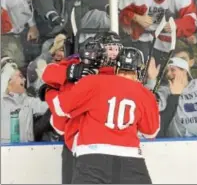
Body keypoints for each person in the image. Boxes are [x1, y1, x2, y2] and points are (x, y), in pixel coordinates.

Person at [44, 47, 160, 184]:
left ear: (116, 69)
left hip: (92, 158)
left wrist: (49, 91)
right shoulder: (144, 93)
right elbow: (151, 132)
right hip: (131, 160)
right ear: (138, 72)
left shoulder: (94, 82)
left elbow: (60, 108)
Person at [39, 31, 122, 184]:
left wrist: (50, 93)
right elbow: (48, 73)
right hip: (75, 136)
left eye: (116, 49)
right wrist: (70, 72)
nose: (114, 53)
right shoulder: (80, 61)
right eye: (110, 48)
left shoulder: (120, 70)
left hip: (105, 141)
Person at [146, 56, 197, 138]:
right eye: (167, 71)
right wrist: (151, 80)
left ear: (184, 71)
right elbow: (150, 106)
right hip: (178, 143)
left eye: (173, 70)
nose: (168, 74)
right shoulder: (165, 90)